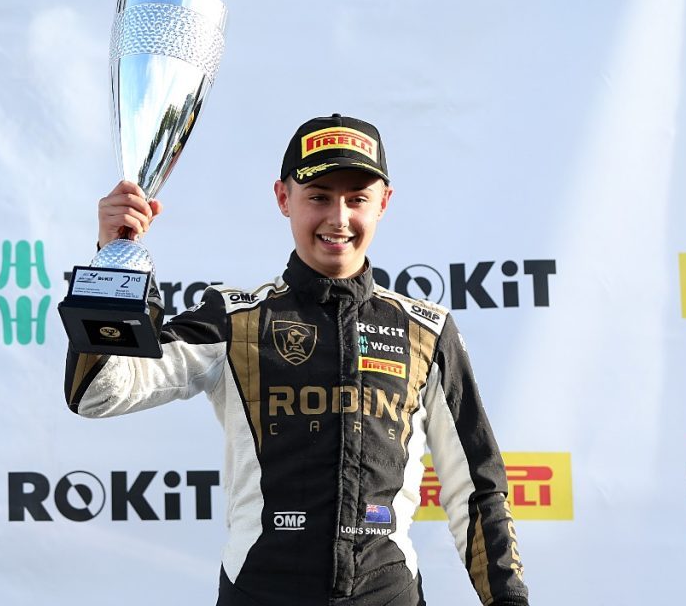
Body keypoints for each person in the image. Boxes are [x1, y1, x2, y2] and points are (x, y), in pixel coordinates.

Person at [64, 114, 530, 606]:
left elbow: (478, 492)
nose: (339, 217)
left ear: (383, 204)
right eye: (319, 197)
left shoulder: (425, 329)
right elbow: (97, 392)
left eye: (357, 198)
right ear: (283, 198)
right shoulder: (235, 319)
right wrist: (112, 262)